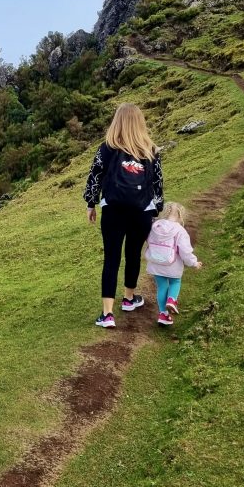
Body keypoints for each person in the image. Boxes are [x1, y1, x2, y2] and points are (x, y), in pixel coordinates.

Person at [84, 102, 163, 329]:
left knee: (111, 258)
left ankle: (107, 314)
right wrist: (156, 210)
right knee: (133, 254)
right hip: (142, 211)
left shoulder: (107, 148)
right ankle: (129, 298)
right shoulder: (151, 150)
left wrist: (91, 204)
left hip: (113, 208)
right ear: (140, 123)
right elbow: (157, 184)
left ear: (117, 121)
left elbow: (95, 176)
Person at [145, 201, 202, 326]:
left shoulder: (154, 226)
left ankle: (163, 314)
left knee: (162, 287)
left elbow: (148, 240)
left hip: (156, 263)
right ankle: (171, 300)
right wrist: (193, 262)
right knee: (175, 282)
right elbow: (185, 251)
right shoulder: (180, 231)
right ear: (180, 216)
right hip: (173, 265)